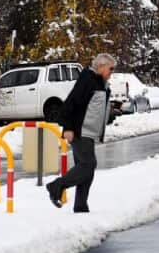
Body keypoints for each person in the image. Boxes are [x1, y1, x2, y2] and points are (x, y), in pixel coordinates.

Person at [46, 53, 116, 213]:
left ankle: (80, 206)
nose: (112, 72)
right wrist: (68, 128)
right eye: (110, 68)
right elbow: (71, 104)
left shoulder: (99, 82)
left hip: (89, 132)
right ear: (101, 66)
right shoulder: (88, 80)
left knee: (86, 169)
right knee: (88, 164)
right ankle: (57, 186)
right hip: (80, 131)